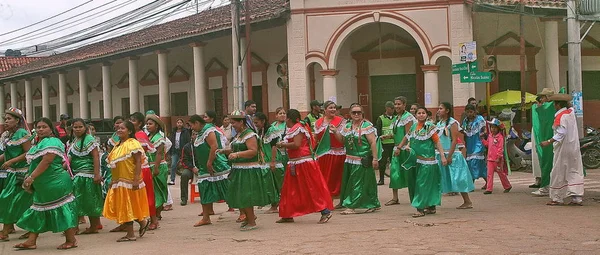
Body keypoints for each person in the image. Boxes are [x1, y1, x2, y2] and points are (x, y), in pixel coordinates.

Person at [13, 118, 78, 250]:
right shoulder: (38, 144)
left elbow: (47, 161)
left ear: (51, 129)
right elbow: (34, 163)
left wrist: (31, 177)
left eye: (44, 127)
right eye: (38, 127)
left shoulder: (53, 141)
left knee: (62, 210)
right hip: (42, 185)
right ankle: (31, 241)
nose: (40, 129)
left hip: (55, 182)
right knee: (38, 210)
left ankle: (71, 240)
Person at [222, 110, 277, 231]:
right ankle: (248, 218)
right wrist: (224, 151)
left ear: (241, 122)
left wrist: (237, 155)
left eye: (234, 123)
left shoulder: (249, 134)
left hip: (247, 170)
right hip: (239, 169)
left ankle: (251, 221)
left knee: (246, 195)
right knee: (241, 195)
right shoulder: (239, 135)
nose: (233, 126)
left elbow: (253, 150)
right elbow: (235, 148)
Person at [275, 109, 333, 224]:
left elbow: (296, 144)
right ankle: (288, 213)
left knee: (310, 188)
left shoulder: (298, 128)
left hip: (303, 162)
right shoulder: (296, 127)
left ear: (289, 119)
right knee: (290, 189)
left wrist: (283, 144)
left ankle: (325, 211)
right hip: (295, 162)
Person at [103, 120, 150, 242]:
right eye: (118, 128)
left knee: (126, 206)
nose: (119, 130)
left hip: (129, 180)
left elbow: (138, 161)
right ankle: (143, 222)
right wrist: (113, 180)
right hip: (119, 181)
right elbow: (115, 166)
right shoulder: (118, 145)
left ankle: (130, 234)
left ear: (129, 131)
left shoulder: (133, 143)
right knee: (127, 206)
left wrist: (135, 180)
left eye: (122, 128)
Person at [397, 106, 447, 218]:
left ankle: (420, 209)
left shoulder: (430, 127)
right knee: (417, 184)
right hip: (416, 161)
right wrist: (399, 148)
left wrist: (443, 156)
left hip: (428, 162)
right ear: (415, 115)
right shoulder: (414, 126)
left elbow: (438, 142)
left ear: (427, 115)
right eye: (418, 113)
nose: (421, 115)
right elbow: (407, 138)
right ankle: (430, 206)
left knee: (423, 185)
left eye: (423, 113)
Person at [332, 103, 382, 215]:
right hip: (350, 159)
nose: (356, 114)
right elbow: (342, 141)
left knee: (358, 183)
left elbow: (373, 142)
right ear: (350, 114)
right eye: (354, 112)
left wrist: (375, 158)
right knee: (359, 182)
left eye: (358, 112)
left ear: (362, 113)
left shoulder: (366, 126)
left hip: (362, 159)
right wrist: (335, 131)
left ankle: (352, 206)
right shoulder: (348, 126)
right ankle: (371, 203)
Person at [541, 93, 584, 206]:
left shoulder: (561, 116)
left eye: (555, 104)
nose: (554, 106)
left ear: (558, 105)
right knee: (574, 170)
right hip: (573, 147)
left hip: (563, 148)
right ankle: (577, 197)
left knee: (558, 171)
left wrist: (548, 141)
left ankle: (557, 197)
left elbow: (561, 133)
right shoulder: (571, 113)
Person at [188, 114, 231, 226]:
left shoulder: (209, 130)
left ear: (197, 123)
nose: (191, 128)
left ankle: (243, 212)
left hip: (216, 165)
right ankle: (206, 217)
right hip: (204, 168)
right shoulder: (199, 133)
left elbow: (214, 146)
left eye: (192, 125)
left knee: (228, 188)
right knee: (204, 189)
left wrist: (209, 162)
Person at [0, 107, 33, 241]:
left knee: (8, 199)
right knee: (16, 201)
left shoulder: (22, 134)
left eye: (9, 119)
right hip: (11, 173)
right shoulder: (7, 135)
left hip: (22, 172)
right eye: (5, 119)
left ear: (17, 120)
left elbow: (28, 153)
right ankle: (28, 229)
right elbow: (6, 154)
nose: (6, 121)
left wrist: (11, 161)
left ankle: (5, 231)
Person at [68, 118, 103, 234]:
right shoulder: (74, 140)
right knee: (77, 200)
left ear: (85, 128)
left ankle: (93, 226)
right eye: (75, 127)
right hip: (77, 175)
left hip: (87, 175)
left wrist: (97, 174)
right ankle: (76, 226)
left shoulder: (89, 139)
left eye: (80, 127)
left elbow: (96, 157)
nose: (77, 129)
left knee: (90, 200)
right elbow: (70, 159)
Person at [436, 103, 474, 208]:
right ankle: (434, 202)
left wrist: (450, 156)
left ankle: (467, 201)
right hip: (441, 154)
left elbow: (454, 140)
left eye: (441, 108)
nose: (438, 110)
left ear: (447, 110)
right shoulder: (439, 123)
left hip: (452, 154)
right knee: (441, 178)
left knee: (458, 178)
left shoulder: (452, 123)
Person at [383, 96, 415, 206]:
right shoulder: (397, 118)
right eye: (395, 104)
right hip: (397, 148)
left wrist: (400, 147)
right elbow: (397, 132)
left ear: (404, 105)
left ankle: (414, 196)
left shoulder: (408, 117)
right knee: (394, 173)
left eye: (399, 104)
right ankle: (395, 198)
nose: (396, 106)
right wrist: (387, 137)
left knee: (410, 174)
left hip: (405, 149)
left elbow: (408, 134)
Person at [252, 112, 284, 214]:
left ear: (263, 121)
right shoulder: (261, 131)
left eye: (256, 122)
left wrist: (273, 161)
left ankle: (276, 205)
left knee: (276, 184)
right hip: (266, 160)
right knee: (270, 184)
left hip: (273, 160)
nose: (255, 124)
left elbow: (274, 146)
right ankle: (274, 204)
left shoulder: (271, 130)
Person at [314, 101, 346, 199]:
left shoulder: (341, 121)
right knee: (324, 178)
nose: (333, 110)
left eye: (334, 108)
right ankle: (327, 200)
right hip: (323, 154)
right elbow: (315, 138)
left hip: (337, 153)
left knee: (337, 178)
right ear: (324, 110)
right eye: (330, 108)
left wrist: (335, 131)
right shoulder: (318, 122)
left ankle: (341, 200)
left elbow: (343, 138)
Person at [146, 113, 172, 224]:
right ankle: (155, 214)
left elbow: (159, 153)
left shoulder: (159, 138)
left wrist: (156, 167)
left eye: (150, 124)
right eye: (147, 124)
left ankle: (157, 214)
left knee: (159, 189)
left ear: (156, 126)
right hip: (150, 165)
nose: (148, 126)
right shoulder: (148, 137)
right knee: (152, 190)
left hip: (158, 165)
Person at [531, 88, 556, 196]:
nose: (540, 99)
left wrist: (549, 140)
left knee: (550, 163)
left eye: (542, 97)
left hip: (552, 141)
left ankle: (548, 187)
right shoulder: (546, 109)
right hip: (552, 141)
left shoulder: (548, 109)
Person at [482, 119, 512, 194]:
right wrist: (482, 140)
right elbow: (487, 145)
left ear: (498, 129)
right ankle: (489, 189)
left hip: (497, 159)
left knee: (501, 173)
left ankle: (507, 186)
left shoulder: (500, 137)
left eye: (494, 128)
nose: (493, 129)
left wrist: (499, 157)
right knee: (489, 174)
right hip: (490, 159)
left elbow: (500, 148)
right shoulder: (490, 136)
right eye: (492, 127)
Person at [462, 104, 487, 188]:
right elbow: (464, 131)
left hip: (478, 142)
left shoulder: (480, 119)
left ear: (475, 112)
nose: (469, 114)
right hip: (470, 143)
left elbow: (484, 130)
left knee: (475, 161)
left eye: (471, 112)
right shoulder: (465, 121)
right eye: (468, 112)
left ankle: (471, 183)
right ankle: (485, 181)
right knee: (471, 163)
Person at [375, 101, 395, 185]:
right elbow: (378, 130)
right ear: (387, 108)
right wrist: (380, 137)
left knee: (393, 162)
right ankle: (381, 179)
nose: (393, 110)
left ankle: (394, 179)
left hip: (394, 143)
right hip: (384, 144)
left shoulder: (396, 118)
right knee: (382, 162)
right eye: (391, 108)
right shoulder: (380, 118)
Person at [168, 118, 190, 185]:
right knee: (173, 165)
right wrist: (170, 152)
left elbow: (188, 141)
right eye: (178, 122)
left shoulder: (185, 132)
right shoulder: (173, 132)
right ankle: (172, 180)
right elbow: (170, 141)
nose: (179, 124)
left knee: (186, 165)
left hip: (183, 151)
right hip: (175, 151)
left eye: (180, 122)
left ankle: (188, 178)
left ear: (183, 124)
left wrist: (187, 151)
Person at [179, 130, 198, 205]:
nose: (195, 136)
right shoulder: (187, 147)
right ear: (191, 136)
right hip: (191, 168)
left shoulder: (204, 145)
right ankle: (184, 198)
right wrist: (193, 168)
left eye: (197, 134)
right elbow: (184, 160)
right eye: (194, 134)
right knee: (184, 175)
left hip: (203, 168)